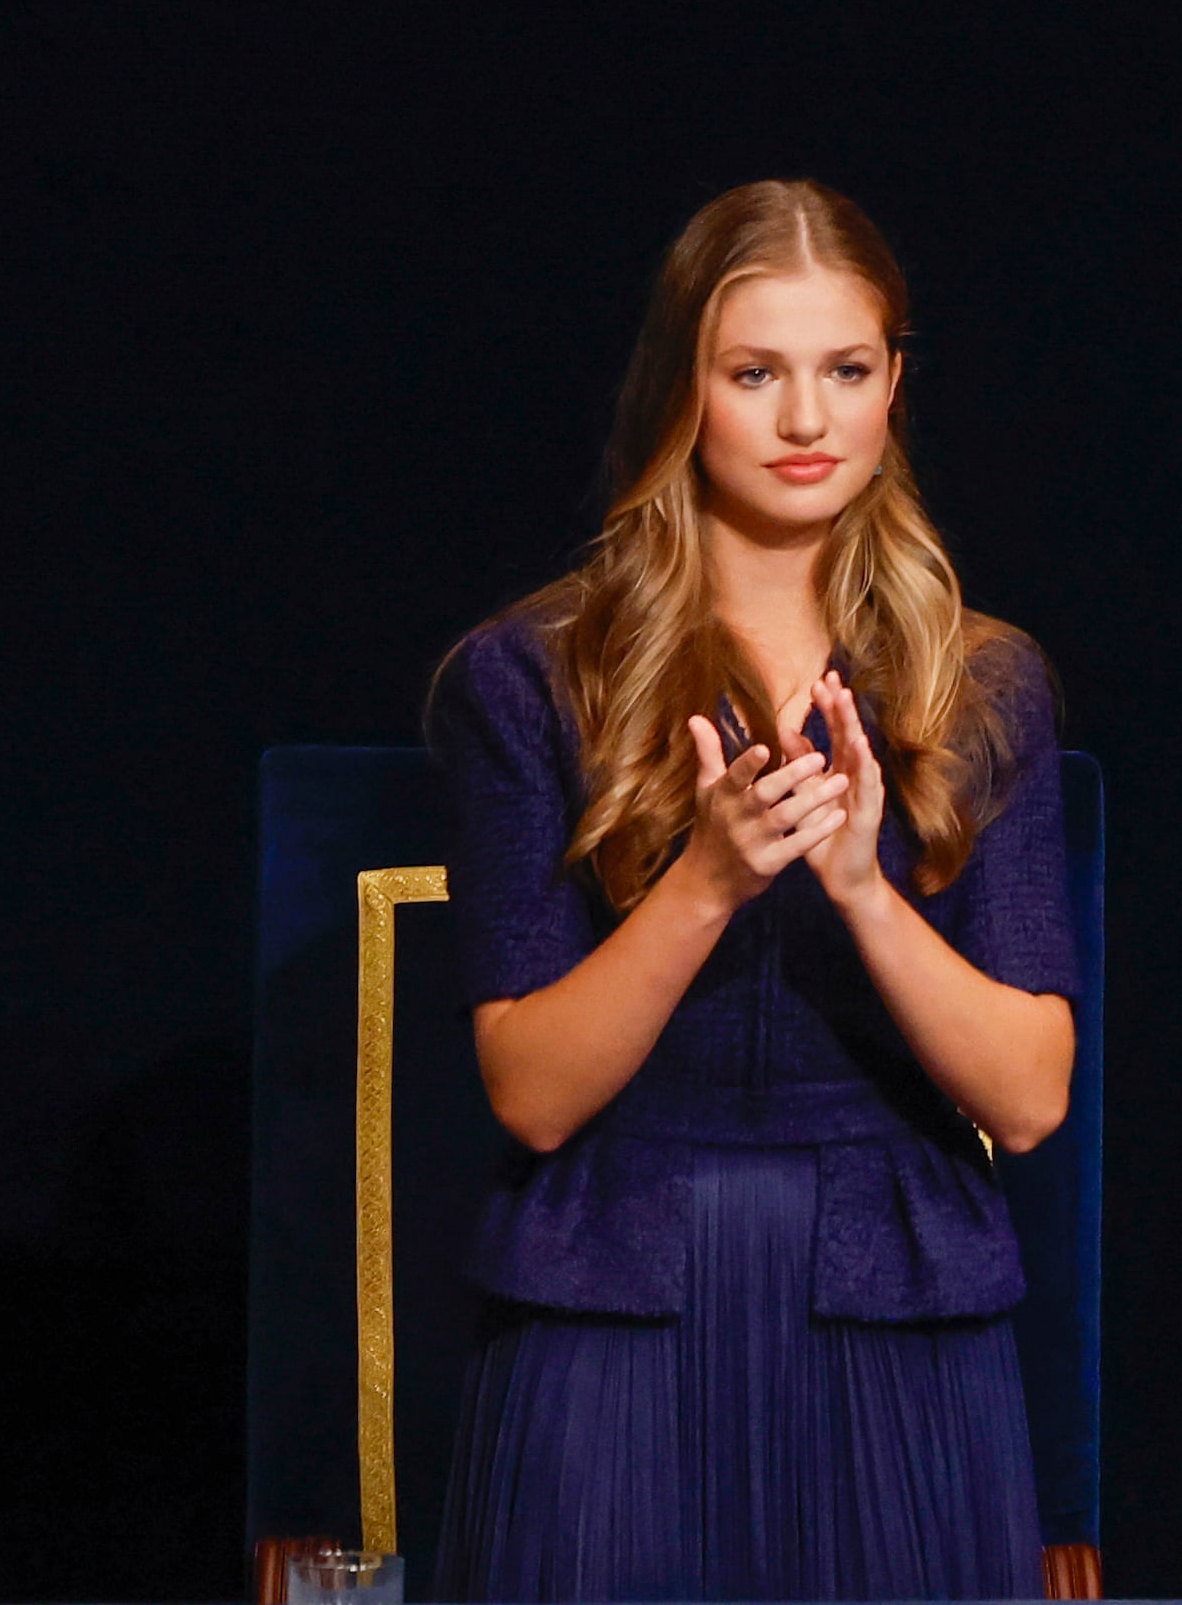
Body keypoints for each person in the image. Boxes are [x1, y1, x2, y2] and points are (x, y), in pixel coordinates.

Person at [425, 183, 1077, 1605]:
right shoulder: (530, 676)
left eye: (844, 370)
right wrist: (705, 884)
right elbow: (528, 1091)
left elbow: (1029, 1096)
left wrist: (862, 888)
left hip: (891, 1296)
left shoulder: (984, 683)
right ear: (684, 388)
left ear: (895, 383)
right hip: (615, 1290)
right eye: (755, 372)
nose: (804, 420)